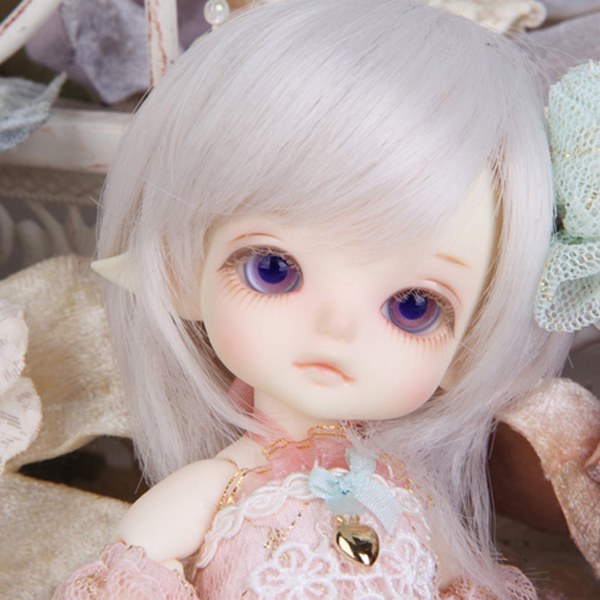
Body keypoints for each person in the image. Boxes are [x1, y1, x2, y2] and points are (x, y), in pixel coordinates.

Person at [54, 0, 572, 597]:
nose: (336, 328)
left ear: (470, 348)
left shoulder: (407, 498)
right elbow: (132, 567)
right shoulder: (220, 489)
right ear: (182, 272)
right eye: (273, 270)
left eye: (413, 307)